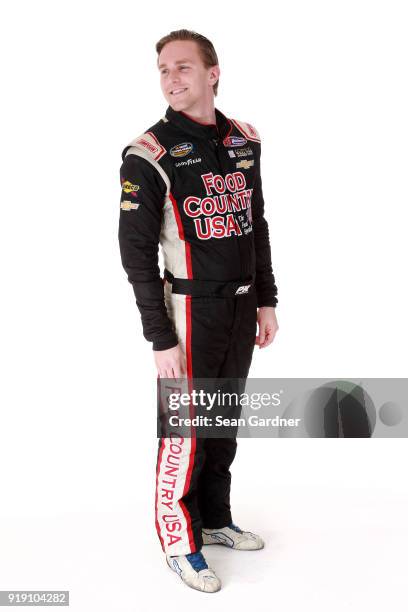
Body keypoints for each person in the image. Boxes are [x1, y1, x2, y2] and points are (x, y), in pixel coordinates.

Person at [118, 29, 279, 593]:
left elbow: (253, 224)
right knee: (184, 428)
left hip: (239, 307)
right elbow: (135, 253)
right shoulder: (149, 153)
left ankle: (213, 520)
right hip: (187, 310)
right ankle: (178, 540)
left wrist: (266, 299)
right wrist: (158, 336)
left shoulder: (243, 140)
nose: (171, 78)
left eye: (183, 67)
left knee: (222, 423)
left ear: (213, 72)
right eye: (163, 69)